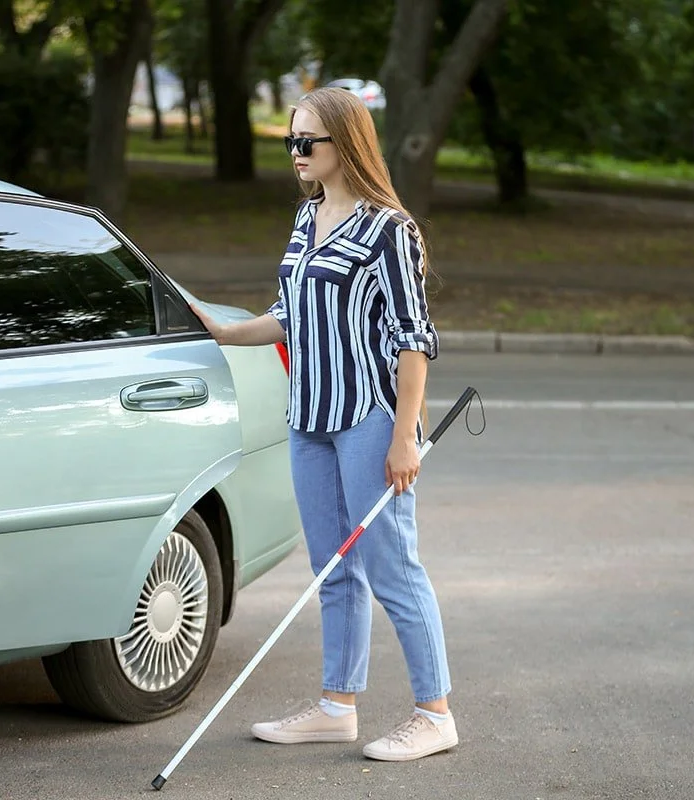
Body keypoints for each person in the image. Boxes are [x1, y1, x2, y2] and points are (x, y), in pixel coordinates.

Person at [189, 87, 456, 762]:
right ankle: (338, 707)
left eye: (308, 141)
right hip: (308, 419)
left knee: (392, 567)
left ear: (347, 143)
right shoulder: (306, 220)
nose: (297, 154)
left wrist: (403, 437)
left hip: (368, 418)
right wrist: (223, 331)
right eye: (291, 141)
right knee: (331, 568)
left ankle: (435, 713)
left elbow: (413, 339)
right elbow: (289, 316)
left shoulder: (389, 229)